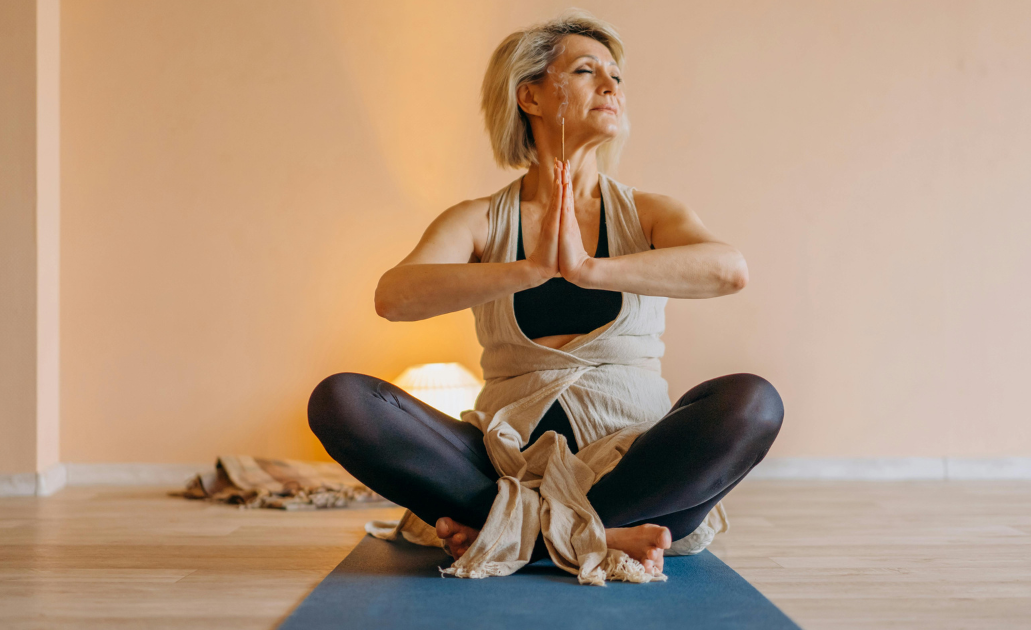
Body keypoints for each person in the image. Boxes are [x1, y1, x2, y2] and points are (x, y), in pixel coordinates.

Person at [307, 9, 783, 582]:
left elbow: (728, 270)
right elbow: (395, 297)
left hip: (634, 464)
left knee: (753, 401)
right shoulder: (480, 220)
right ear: (529, 96)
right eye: (587, 71)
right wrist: (527, 269)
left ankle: (519, 536)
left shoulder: (651, 214)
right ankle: (596, 535)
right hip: (503, 462)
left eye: (617, 76)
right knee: (341, 400)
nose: (612, 86)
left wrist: (587, 269)